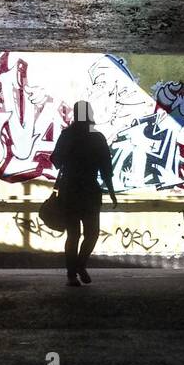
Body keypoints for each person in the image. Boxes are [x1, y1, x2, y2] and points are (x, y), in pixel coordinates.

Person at [49, 100, 117, 286]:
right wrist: (111, 192)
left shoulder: (67, 135)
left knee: (73, 235)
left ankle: (72, 274)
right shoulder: (98, 138)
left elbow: (55, 160)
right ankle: (80, 265)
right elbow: (106, 169)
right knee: (92, 233)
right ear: (90, 114)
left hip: (69, 190)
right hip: (90, 191)